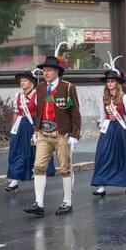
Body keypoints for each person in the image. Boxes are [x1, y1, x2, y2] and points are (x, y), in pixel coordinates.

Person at [24, 56, 81, 217]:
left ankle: (67, 201)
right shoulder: (41, 88)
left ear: (57, 71)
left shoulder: (68, 87)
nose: (45, 73)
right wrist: (36, 130)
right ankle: (39, 203)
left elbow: (75, 113)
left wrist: (75, 134)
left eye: (49, 70)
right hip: (43, 132)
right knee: (38, 167)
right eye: (44, 70)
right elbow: (39, 111)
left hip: (62, 133)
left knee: (65, 168)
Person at [91, 62, 126, 196]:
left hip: (120, 129)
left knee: (124, 155)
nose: (110, 84)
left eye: (112, 81)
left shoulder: (125, 98)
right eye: (108, 81)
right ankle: (101, 184)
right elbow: (102, 117)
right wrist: (101, 128)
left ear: (117, 83)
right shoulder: (103, 99)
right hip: (107, 130)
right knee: (102, 155)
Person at [5, 70, 55, 192]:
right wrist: (13, 129)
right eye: (21, 81)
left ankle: (36, 173)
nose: (22, 83)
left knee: (35, 151)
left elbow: (44, 112)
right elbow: (16, 113)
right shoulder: (18, 96)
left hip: (34, 125)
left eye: (25, 80)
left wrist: (42, 128)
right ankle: (14, 179)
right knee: (17, 151)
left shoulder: (38, 95)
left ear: (32, 82)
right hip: (21, 126)